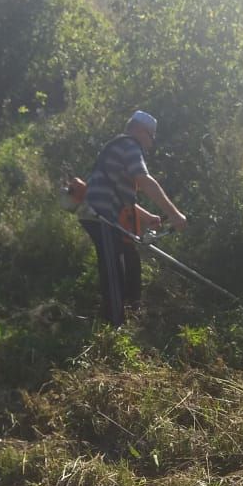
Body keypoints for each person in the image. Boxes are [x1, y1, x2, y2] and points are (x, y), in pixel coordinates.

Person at [79, 110, 187, 326]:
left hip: (106, 212)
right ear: (139, 130)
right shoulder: (129, 145)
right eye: (151, 136)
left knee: (128, 257)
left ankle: (128, 312)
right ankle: (115, 324)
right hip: (101, 214)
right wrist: (175, 214)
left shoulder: (119, 147)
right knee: (114, 266)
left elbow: (124, 197)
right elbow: (145, 180)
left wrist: (148, 217)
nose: (151, 143)